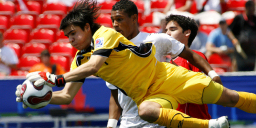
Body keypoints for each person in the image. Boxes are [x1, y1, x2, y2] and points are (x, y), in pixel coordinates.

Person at [15, 0, 256, 127]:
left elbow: (95, 67)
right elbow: (67, 95)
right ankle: (211, 126)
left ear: (87, 27)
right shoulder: (79, 59)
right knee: (147, 111)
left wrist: (55, 79)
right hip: (146, 98)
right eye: (66, 36)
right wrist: (42, 99)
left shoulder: (105, 36)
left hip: (168, 78)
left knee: (231, 98)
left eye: (73, 34)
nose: (70, 41)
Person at [166, 15, 211, 120]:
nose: (167, 33)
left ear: (187, 33)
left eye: (172, 29)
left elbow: (199, 89)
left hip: (196, 122)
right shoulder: (167, 62)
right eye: (166, 30)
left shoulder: (196, 57)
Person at [229, 0, 256, 71]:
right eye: (252, 8)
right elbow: (229, 31)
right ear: (247, 8)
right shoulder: (239, 19)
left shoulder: (255, 19)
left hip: (252, 52)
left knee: (251, 72)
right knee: (240, 71)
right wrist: (234, 40)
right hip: (240, 52)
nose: (253, 10)